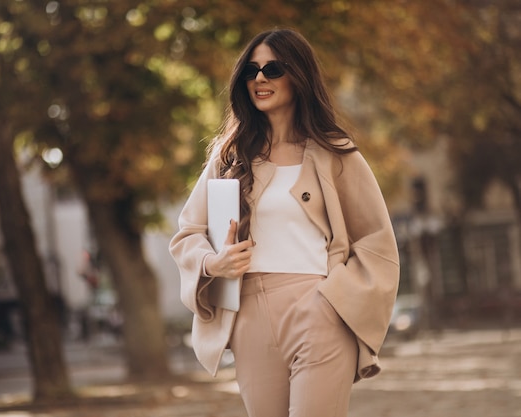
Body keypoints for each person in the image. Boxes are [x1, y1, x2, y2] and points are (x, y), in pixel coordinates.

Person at [169, 28, 400, 417]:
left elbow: (377, 242)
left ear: (298, 75)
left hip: (319, 310)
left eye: (273, 69)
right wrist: (214, 264)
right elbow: (187, 233)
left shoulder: (336, 154)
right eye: (251, 70)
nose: (260, 78)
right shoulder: (229, 158)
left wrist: (332, 301)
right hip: (249, 318)